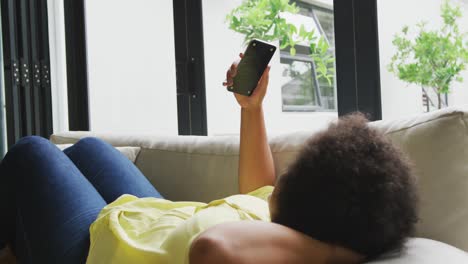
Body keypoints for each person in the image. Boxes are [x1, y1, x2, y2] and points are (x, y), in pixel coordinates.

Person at [0, 54, 418, 264]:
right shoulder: (276, 217)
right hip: (145, 216)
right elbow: (262, 186)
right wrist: (250, 108)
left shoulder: (280, 250)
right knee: (90, 147)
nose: (285, 173)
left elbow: (212, 247)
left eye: (296, 174)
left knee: (31, 151)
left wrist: (335, 251)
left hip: (97, 250)